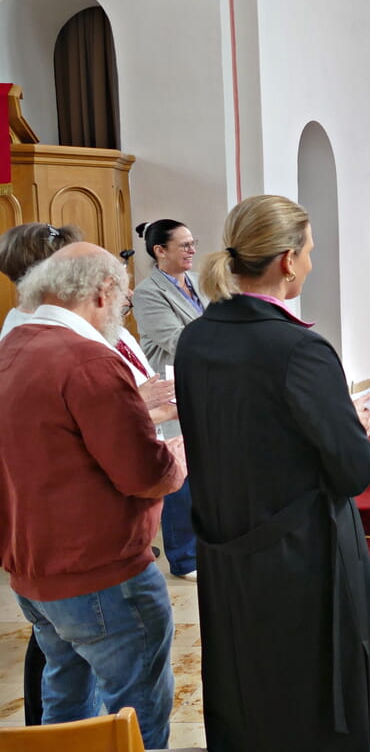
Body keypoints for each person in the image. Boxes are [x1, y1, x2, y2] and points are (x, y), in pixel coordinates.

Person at [175, 194, 370, 751]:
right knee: (311, 699)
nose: (310, 262)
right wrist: (357, 427)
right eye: (308, 252)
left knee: (246, 683)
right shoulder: (298, 347)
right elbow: (353, 470)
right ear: (285, 260)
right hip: (300, 553)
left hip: (227, 545)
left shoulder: (197, 336)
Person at [0, 242, 186, 749]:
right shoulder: (88, 360)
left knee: (66, 697)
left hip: (34, 568)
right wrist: (178, 457)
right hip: (101, 572)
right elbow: (142, 473)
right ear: (103, 293)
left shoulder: (12, 346)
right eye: (124, 300)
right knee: (135, 711)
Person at [132, 218, 202, 581]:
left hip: (202, 382)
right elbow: (177, 340)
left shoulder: (194, 283)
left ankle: (201, 544)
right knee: (179, 470)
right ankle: (183, 556)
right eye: (184, 245)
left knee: (202, 466)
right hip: (170, 390)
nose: (192, 250)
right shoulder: (148, 292)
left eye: (193, 243)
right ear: (160, 250)